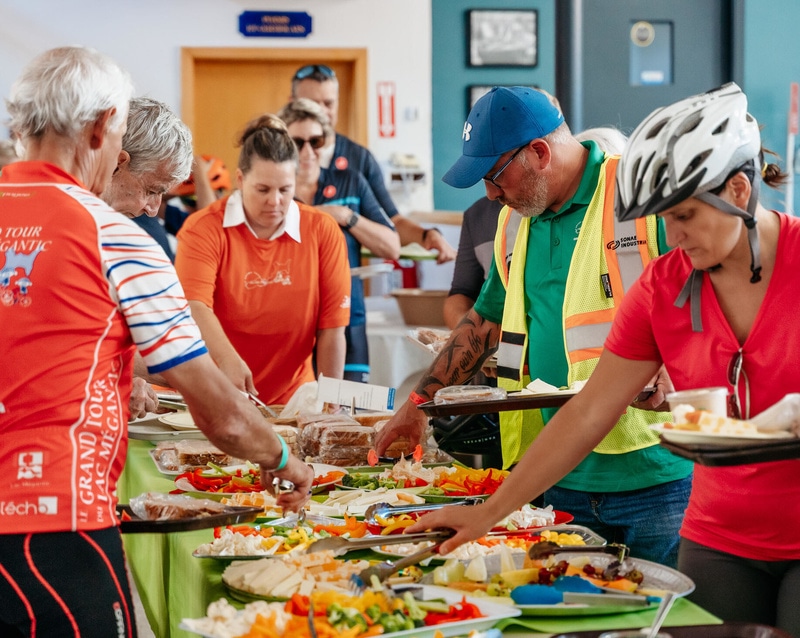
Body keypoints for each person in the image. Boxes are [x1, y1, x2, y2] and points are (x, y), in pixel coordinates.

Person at [406, 83, 800, 636]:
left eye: (685, 215)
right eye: (665, 217)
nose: (674, 235)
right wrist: (488, 513)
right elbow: (588, 413)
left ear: (739, 190)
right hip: (719, 537)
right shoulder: (664, 285)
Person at [0, 46, 312, 638]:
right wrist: (281, 458)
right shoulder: (115, 236)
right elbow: (221, 418)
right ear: (100, 130)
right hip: (54, 528)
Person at [375, 86, 693, 567]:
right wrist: (421, 403)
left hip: (653, 477)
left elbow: (711, 297)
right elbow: (483, 322)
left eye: (494, 176)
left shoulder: (641, 195)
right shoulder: (511, 221)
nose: (489, 193)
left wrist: (676, 365)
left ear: (540, 153)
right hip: (551, 475)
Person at [175, 113, 351, 405]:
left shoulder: (322, 230)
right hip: (216, 390)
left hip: (292, 397)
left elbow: (333, 327)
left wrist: (330, 405)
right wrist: (228, 360)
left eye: (285, 190)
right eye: (262, 190)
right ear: (241, 179)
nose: (275, 201)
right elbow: (195, 305)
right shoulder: (203, 228)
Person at [277, 97, 400, 383]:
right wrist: (313, 215)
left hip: (347, 318)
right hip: (288, 319)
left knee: (344, 415)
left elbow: (391, 247)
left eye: (316, 141)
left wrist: (346, 216)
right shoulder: (274, 192)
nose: (307, 151)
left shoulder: (351, 181)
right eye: (297, 142)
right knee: (291, 412)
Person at [290, 63, 457, 263]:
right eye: (312, 104)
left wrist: (427, 235)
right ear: (293, 104)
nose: (321, 111)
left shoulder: (358, 158)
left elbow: (392, 221)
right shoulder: (273, 158)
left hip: (345, 280)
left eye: (328, 103)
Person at [100, 96, 194, 418]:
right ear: (119, 163)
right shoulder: (63, 219)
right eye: (151, 190)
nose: (153, 209)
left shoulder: (140, 227)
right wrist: (117, 377)